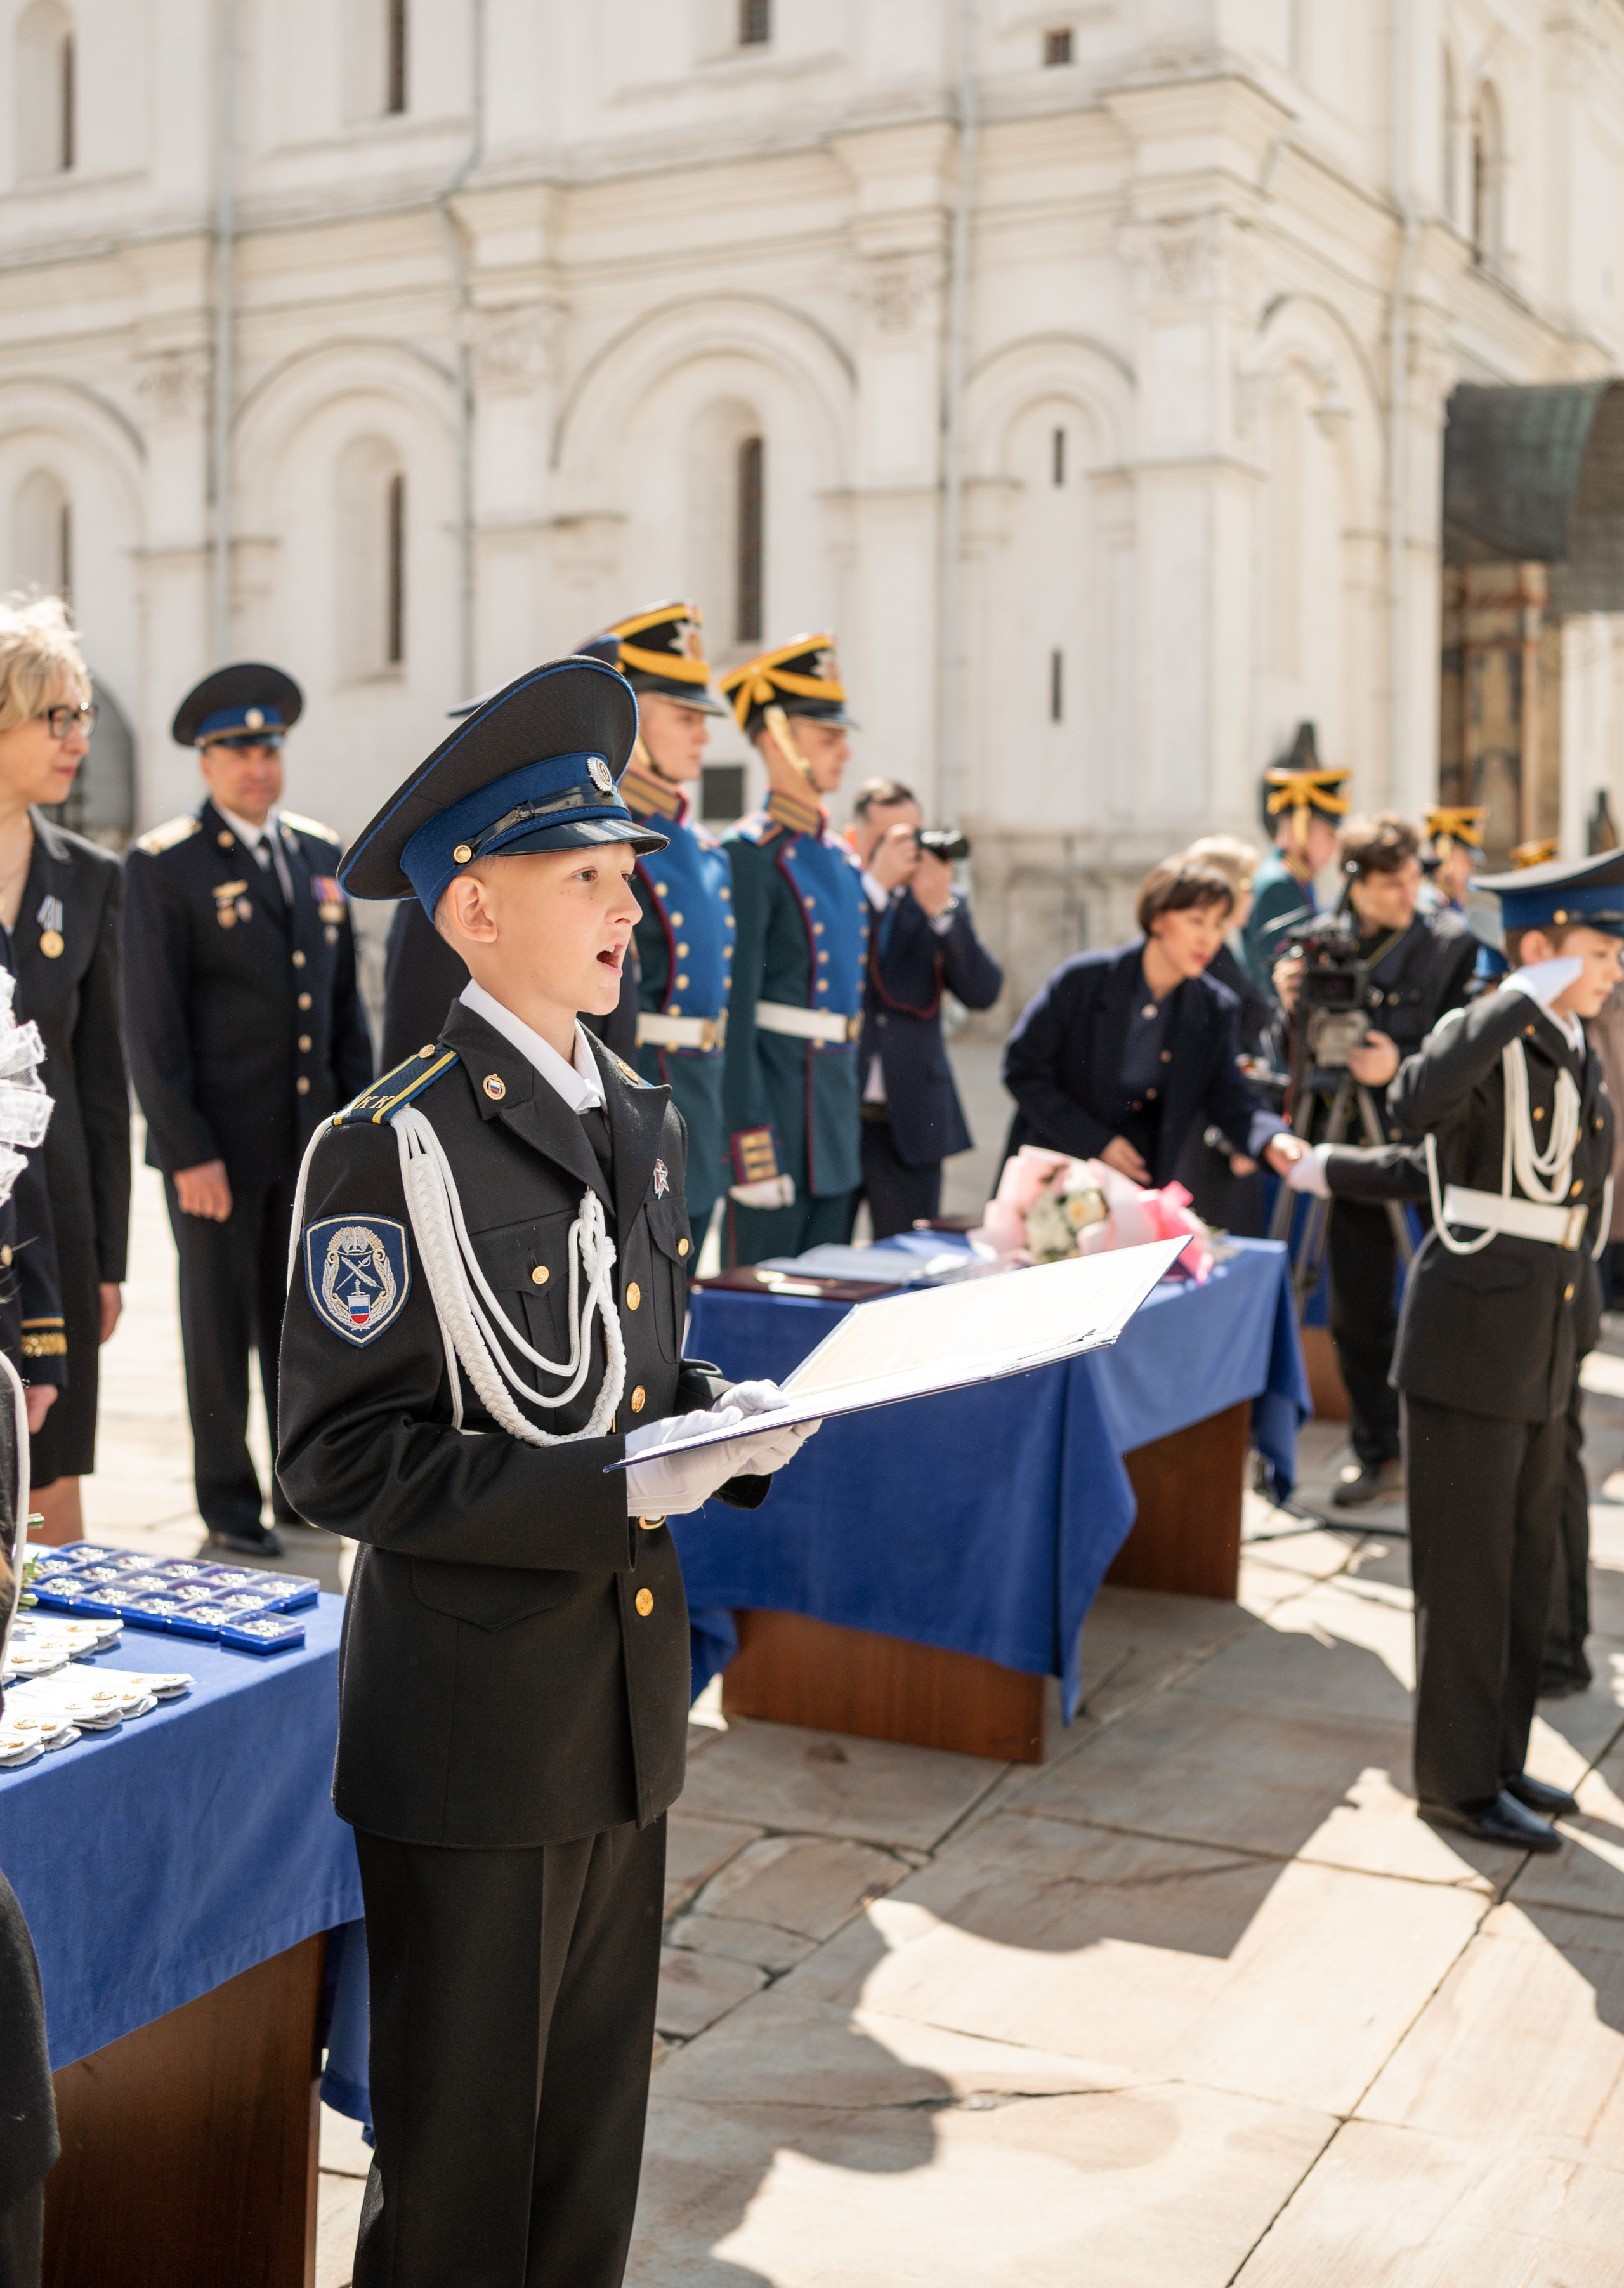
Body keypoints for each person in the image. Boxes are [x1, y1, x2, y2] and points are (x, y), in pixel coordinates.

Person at [276, 654, 818, 2288]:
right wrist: (612, 1493)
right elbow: (336, 1455)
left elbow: (625, 1376)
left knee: (587, 2156)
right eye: (578, 876)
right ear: (468, 914)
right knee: (456, 2181)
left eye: (624, 872)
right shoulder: (390, 1140)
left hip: (621, 1706)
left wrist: (717, 1422)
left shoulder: (635, 1112)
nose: (621, 904)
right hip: (470, 1726)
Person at [1287, 845, 1621, 1852]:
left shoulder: (1571, 1049)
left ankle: (1501, 1760)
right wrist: (1518, 993)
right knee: (1467, 1579)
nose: (1613, 970)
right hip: (1470, 1343)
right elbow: (1417, 1102)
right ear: (1536, 950)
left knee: (1521, 1571)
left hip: (1538, 1339)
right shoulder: (1490, 1034)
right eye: (1598, 951)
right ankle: (1454, 1785)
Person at [122, 664, 374, 1556]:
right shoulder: (164, 868)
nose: (257, 765)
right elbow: (152, 1030)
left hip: (307, 1150)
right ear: (205, 761)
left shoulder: (317, 855)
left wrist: (360, 1133)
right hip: (217, 1157)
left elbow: (345, 1013)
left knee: (303, 1331)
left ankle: (298, 1487)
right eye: (236, 749)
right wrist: (186, 1150)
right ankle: (229, 1502)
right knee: (220, 1332)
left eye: (268, 747)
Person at [1273, 814, 1477, 1507]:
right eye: (1389, 882)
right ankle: (1376, 1448)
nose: (1405, 893)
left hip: (1431, 1147)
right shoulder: (1320, 946)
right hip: (1352, 1146)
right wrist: (1287, 1004)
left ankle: (1454, 1449)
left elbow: (1473, 1048)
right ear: (1353, 883)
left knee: (1448, 1298)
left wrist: (1404, 1064)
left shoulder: (1449, 944)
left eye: (1412, 878)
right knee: (1357, 1309)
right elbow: (1289, 1055)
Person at [0, 596, 129, 1544]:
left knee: (54, 1488)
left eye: (81, 714)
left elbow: (100, 1081)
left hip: (59, 1226)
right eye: (57, 715)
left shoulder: (89, 876)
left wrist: (109, 1260)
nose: (78, 735)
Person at [1002, 856, 1307, 1190]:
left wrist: (1272, 1140)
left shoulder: (1214, 1006)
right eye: (1196, 921)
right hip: (1052, 1171)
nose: (1208, 938)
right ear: (1158, 918)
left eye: (1219, 925)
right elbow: (1022, 1069)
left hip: (1138, 1184)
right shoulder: (1083, 980)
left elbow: (1231, 1097)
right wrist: (1096, 1142)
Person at [584, 602, 735, 1239]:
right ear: (632, 720)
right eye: (685, 717)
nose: (703, 734)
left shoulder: (701, 848)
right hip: (637, 1090)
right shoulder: (603, 842)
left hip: (697, 1095)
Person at [716, 635, 868, 1266]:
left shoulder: (838, 858)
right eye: (826, 737)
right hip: (776, 1113)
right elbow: (738, 1013)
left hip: (831, 1110)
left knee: (827, 1301)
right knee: (754, 1302)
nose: (844, 751)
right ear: (778, 739)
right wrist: (750, 1143)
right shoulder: (751, 856)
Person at [842, 778, 1002, 1238]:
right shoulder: (844, 896)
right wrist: (875, 888)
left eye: (912, 836)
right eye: (889, 839)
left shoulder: (939, 899)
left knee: (905, 1265)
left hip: (911, 1117)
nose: (905, 851)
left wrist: (943, 913)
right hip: (839, 1112)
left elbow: (983, 992)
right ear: (856, 840)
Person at [1174, 834, 1272, 1230]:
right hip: (1208, 1137)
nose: (1253, 896)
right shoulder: (1204, 960)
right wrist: (1238, 1134)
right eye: (1247, 886)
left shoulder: (1223, 951)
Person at [1241, 725, 1349, 990]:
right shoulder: (1279, 885)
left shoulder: (1294, 878)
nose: (1333, 848)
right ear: (1300, 825)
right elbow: (1281, 980)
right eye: (1328, 835)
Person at [1420, 804, 1486, 916]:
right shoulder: (1430, 904)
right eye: (1466, 860)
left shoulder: (1451, 900)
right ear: (1444, 856)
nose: (1471, 869)